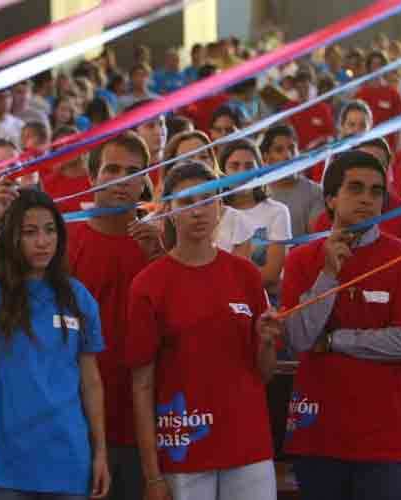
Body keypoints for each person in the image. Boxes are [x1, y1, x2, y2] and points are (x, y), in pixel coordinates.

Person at [281, 151, 401, 500]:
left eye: (376, 191)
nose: (367, 198)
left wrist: (334, 340)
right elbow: (301, 339)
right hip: (318, 437)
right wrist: (329, 275)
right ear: (331, 198)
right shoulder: (302, 259)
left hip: (386, 441)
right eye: (356, 188)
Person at [127, 161, 282, 500]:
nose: (198, 212)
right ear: (168, 209)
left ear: (219, 208)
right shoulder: (148, 285)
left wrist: (268, 343)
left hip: (247, 447)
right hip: (184, 448)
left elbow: (264, 372)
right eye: (186, 203)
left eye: (207, 201)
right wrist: (152, 476)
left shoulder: (246, 275)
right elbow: (142, 385)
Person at [0, 183, 110, 499]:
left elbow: (91, 382)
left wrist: (100, 451)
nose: (42, 241)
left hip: (66, 454)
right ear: (13, 238)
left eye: (50, 230)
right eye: (30, 232)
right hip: (2, 461)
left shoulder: (79, 298)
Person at [68, 132, 162, 500]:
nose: (122, 179)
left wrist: (159, 256)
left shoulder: (157, 242)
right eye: (112, 169)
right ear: (92, 178)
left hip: (144, 423)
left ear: (145, 182)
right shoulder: (65, 242)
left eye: (133, 171)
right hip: (80, 421)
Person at [218, 140, 292, 302]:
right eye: (234, 166)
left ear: (260, 171)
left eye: (249, 166)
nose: (242, 173)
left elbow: (271, 275)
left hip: (264, 300)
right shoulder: (215, 213)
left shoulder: (277, 211)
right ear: (222, 172)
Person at [261, 125, 324, 238]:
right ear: (266, 157)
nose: (288, 155)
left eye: (292, 148)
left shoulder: (315, 191)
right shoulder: (256, 193)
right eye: (279, 150)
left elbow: (316, 238)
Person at [354, 51, 401, 151]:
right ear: (369, 67)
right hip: (364, 145)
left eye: (379, 64)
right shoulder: (360, 94)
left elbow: (399, 124)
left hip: (386, 147)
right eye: (373, 64)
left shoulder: (393, 94)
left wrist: (395, 148)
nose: (376, 67)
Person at [42, 126, 93, 214]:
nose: (66, 148)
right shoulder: (48, 182)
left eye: (70, 142)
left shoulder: (96, 178)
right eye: (60, 145)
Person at [286, 70, 336, 153]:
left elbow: (332, 134)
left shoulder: (322, 107)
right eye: (299, 88)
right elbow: (287, 134)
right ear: (295, 89)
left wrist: (318, 141)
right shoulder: (290, 108)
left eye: (305, 88)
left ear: (312, 87)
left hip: (320, 152)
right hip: (299, 154)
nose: (303, 92)